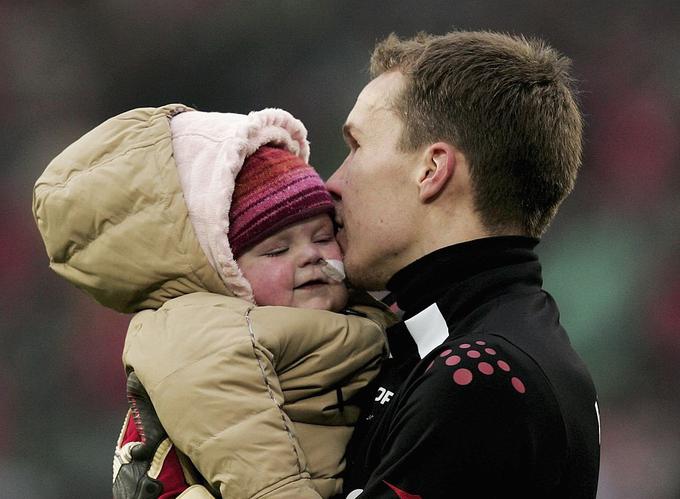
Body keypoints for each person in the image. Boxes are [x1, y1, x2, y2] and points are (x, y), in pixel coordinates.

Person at [32, 105, 393, 498]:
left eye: (323, 236)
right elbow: (263, 478)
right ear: (223, 270)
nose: (311, 255)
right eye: (276, 250)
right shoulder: (203, 335)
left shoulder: (367, 312)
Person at [324, 31, 600, 498]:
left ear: (432, 170)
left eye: (356, 147)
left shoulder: (481, 375)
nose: (332, 183)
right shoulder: (479, 341)